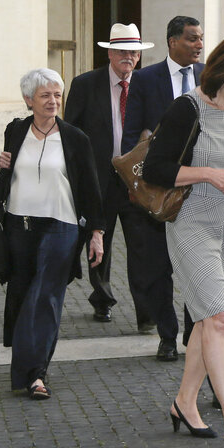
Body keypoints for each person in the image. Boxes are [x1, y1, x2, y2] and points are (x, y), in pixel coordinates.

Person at [142, 34, 224, 448]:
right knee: (218, 318)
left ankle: (183, 402)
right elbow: (157, 169)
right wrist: (208, 174)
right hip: (192, 222)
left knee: (206, 319)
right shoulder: (189, 108)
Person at [0, 68, 105, 399]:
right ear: (29, 100)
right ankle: (30, 365)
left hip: (63, 224)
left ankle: (35, 374)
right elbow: (9, 174)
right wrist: (3, 165)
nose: (53, 101)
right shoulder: (15, 131)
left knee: (46, 294)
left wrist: (97, 233)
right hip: (20, 224)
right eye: (45, 95)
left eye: (57, 95)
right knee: (23, 292)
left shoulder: (75, 138)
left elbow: (90, 187)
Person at [121, 15, 205, 362]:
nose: (199, 44)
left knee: (195, 266)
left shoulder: (208, 78)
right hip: (158, 189)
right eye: (192, 39)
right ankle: (166, 335)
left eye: (201, 39)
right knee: (157, 269)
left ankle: (191, 332)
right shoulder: (145, 79)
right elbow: (131, 135)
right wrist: (134, 185)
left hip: (199, 188)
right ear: (172, 41)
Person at [64, 22, 156, 332]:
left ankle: (146, 313)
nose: (128, 57)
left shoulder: (147, 85)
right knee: (98, 242)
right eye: (122, 51)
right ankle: (102, 299)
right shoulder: (85, 85)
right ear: (110, 53)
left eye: (133, 52)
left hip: (136, 182)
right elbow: (71, 133)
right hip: (98, 179)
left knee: (141, 248)